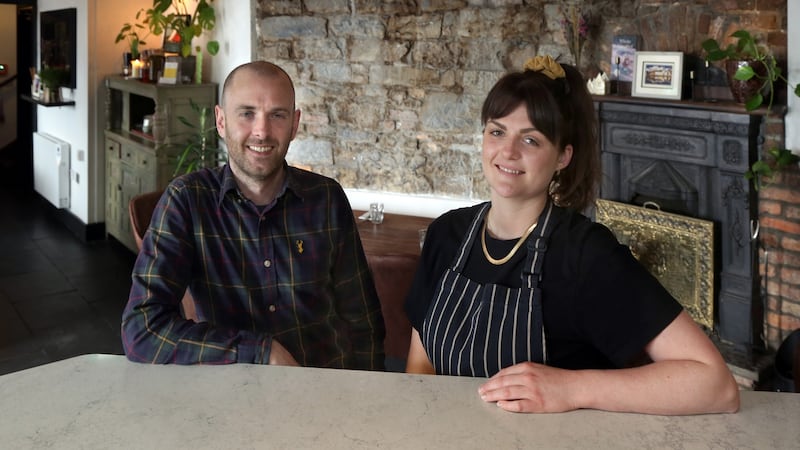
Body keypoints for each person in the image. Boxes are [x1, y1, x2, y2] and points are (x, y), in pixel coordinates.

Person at [404, 55, 740, 415]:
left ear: (563, 157)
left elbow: (716, 386)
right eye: (497, 131)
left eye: (531, 140)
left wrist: (572, 387)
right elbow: (420, 367)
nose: (508, 151)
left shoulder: (586, 256)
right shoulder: (446, 235)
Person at [121, 61, 385, 370]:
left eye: (277, 115)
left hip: (326, 389)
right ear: (221, 121)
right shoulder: (187, 201)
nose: (262, 131)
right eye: (247, 114)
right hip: (235, 395)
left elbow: (363, 322)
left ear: (295, 124)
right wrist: (260, 351)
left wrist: (368, 396)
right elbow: (142, 328)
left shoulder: (326, 198)